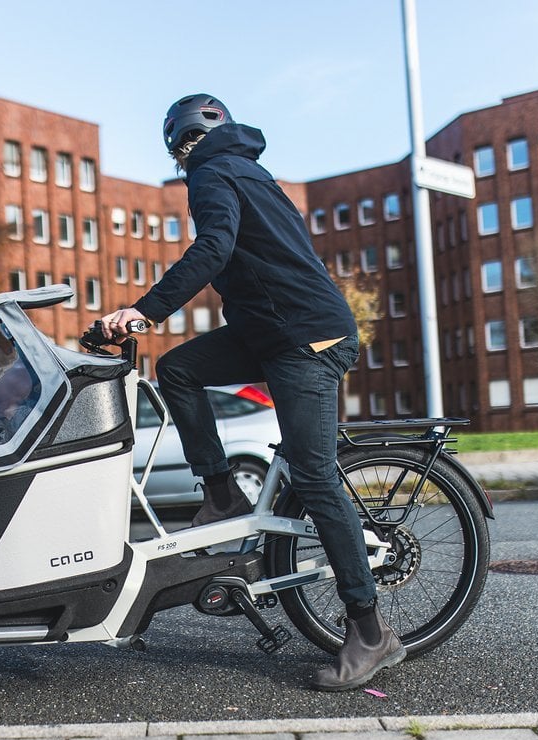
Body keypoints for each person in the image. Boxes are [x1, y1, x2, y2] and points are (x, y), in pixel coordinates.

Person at [100, 94, 404, 692]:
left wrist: (143, 311)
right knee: (180, 371)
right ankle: (223, 494)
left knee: (314, 476)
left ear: (180, 145)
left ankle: (370, 633)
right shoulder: (250, 172)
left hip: (305, 338)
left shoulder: (213, 172)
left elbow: (212, 250)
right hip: (273, 330)